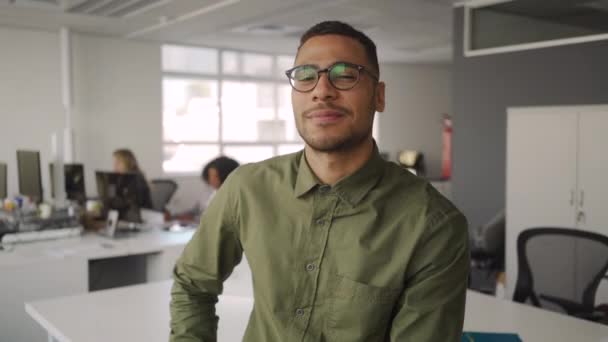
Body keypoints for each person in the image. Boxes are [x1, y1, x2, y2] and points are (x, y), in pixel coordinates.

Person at [170, 21, 469, 341]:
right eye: (306, 75)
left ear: (379, 96)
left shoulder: (433, 225)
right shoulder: (248, 187)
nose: (322, 90)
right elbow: (191, 285)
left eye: (345, 74)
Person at [173, 156, 240, 222]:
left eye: (215, 176)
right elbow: (196, 210)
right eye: (210, 175)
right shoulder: (211, 192)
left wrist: (194, 219)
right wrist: (174, 216)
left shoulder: (234, 198)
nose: (211, 179)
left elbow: (216, 220)